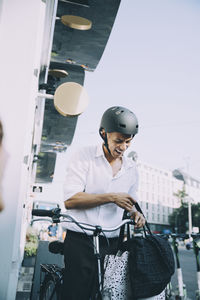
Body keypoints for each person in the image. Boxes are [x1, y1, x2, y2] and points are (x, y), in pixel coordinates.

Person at [62, 106, 146, 300]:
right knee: (76, 294)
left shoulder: (132, 169)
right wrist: (111, 197)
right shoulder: (84, 156)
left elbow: (132, 204)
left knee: (107, 295)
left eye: (128, 142)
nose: (123, 147)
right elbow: (71, 200)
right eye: (118, 141)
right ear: (103, 133)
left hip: (112, 243)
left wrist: (136, 214)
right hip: (80, 239)